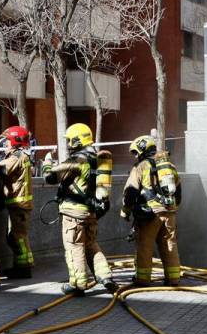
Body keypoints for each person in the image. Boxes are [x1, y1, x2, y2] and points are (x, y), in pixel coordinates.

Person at [44, 123, 115, 296]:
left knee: (74, 247)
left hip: (73, 212)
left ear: (76, 140)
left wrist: (47, 162)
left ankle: (78, 283)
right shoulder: (97, 159)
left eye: (70, 140)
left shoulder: (78, 160)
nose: (68, 144)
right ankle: (105, 276)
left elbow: (50, 177)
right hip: (90, 211)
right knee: (91, 245)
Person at [121, 136, 183, 286]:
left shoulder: (140, 167)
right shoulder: (170, 167)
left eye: (136, 152)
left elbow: (131, 191)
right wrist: (173, 209)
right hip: (169, 213)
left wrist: (125, 211)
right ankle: (174, 278)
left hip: (150, 214)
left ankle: (142, 279)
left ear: (142, 150)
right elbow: (178, 191)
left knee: (145, 245)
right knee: (169, 245)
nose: (135, 156)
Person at [0, 125, 34, 279]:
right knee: (17, 236)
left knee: (18, 237)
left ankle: (24, 269)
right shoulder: (21, 156)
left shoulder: (16, 157)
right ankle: (22, 266)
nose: (5, 145)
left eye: (7, 142)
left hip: (19, 204)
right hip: (19, 203)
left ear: (15, 141)